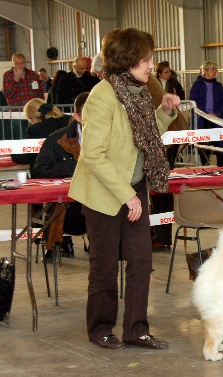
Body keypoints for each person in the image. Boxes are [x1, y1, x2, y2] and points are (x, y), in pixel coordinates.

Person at [69, 27, 180, 350]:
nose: (151, 65)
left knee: (141, 261)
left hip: (133, 189)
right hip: (104, 194)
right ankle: (100, 327)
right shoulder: (101, 97)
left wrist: (165, 113)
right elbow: (93, 155)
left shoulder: (140, 93)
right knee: (104, 265)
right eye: (146, 59)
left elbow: (142, 140)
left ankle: (137, 330)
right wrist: (127, 195)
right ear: (129, 60)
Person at [33, 92, 90, 260]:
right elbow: (40, 169)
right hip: (68, 206)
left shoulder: (113, 137)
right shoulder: (57, 139)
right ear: (77, 116)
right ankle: (57, 245)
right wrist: (74, 167)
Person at [11, 99, 71, 173]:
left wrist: (13, 151)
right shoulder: (69, 120)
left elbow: (24, 158)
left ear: (34, 119)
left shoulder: (35, 129)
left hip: (47, 172)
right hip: (72, 169)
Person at [189, 61, 223, 166]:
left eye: (216, 69)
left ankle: (222, 165)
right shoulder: (197, 85)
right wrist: (205, 114)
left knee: (222, 142)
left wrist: (218, 114)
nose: (215, 71)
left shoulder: (219, 86)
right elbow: (193, 102)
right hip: (202, 119)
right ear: (205, 71)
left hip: (217, 118)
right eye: (213, 69)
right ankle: (205, 165)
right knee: (204, 143)